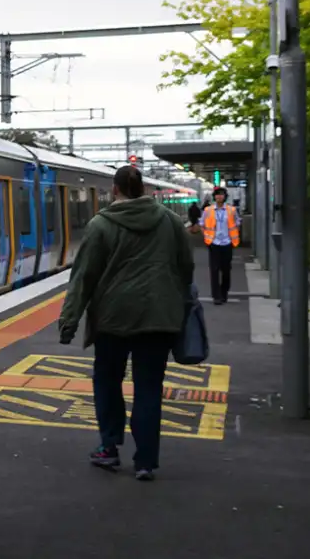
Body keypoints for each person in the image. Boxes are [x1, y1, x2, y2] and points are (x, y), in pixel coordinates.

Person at [58, 165, 194, 482]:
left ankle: (109, 448)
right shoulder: (171, 222)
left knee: (107, 382)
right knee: (148, 388)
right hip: (158, 318)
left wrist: (69, 321)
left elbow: (83, 278)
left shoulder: (101, 225)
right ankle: (146, 461)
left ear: (115, 190)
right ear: (144, 189)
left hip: (112, 319)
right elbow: (186, 267)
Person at [198, 187, 241, 305]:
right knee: (214, 270)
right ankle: (216, 296)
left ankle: (224, 293)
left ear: (225, 196)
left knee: (226, 270)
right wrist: (206, 237)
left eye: (221, 194)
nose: (219, 197)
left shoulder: (231, 210)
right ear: (214, 197)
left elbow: (237, 223)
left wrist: (233, 238)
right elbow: (201, 224)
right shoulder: (208, 210)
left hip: (227, 243)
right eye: (217, 195)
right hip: (214, 243)